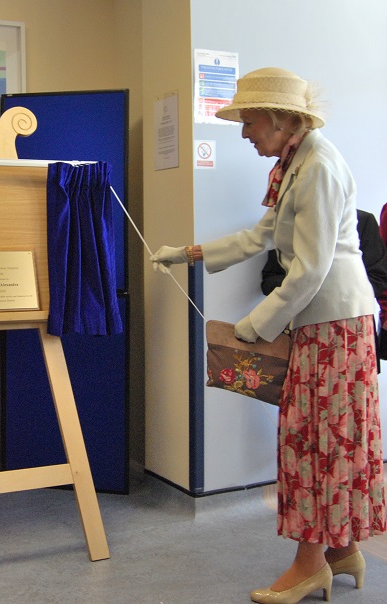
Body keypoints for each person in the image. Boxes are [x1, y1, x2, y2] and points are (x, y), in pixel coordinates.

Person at [151, 67, 386, 603]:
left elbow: (311, 269)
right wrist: (191, 253)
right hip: (323, 321)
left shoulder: (319, 166)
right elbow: (263, 234)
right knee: (326, 437)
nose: (244, 132)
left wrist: (254, 327)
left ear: (282, 120)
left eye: (250, 121)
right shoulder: (295, 162)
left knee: (317, 442)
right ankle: (340, 547)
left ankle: (309, 564)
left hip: (335, 323)